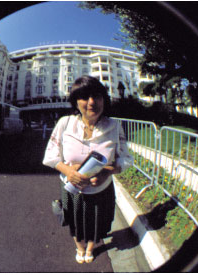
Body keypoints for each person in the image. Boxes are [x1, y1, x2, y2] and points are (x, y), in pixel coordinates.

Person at [42, 75, 133, 264]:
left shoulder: (114, 126)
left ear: (104, 99)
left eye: (97, 96)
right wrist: (68, 171)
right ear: (76, 102)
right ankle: (80, 247)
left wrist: (107, 171)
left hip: (101, 190)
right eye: (84, 97)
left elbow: (126, 159)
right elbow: (50, 156)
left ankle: (91, 247)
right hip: (72, 189)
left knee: (96, 223)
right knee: (74, 222)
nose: (91, 102)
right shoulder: (65, 124)